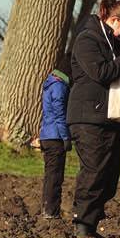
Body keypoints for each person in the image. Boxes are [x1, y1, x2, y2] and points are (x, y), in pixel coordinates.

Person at [67, 0, 120, 238]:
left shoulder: (114, 43)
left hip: (110, 119)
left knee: (109, 176)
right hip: (88, 118)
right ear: (114, 20)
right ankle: (84, 225)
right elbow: (101, 73)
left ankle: (90, 217)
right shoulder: (87, 40)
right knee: (93, 172)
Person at [39, 53, 72, 219]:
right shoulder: (59, 86)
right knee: (55, 177)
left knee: (49, 176)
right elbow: (60, 114)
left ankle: (47, 209)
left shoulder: (50, 84)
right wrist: (66, 137)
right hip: (55, 138)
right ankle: (51, 212)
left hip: (47, 135)